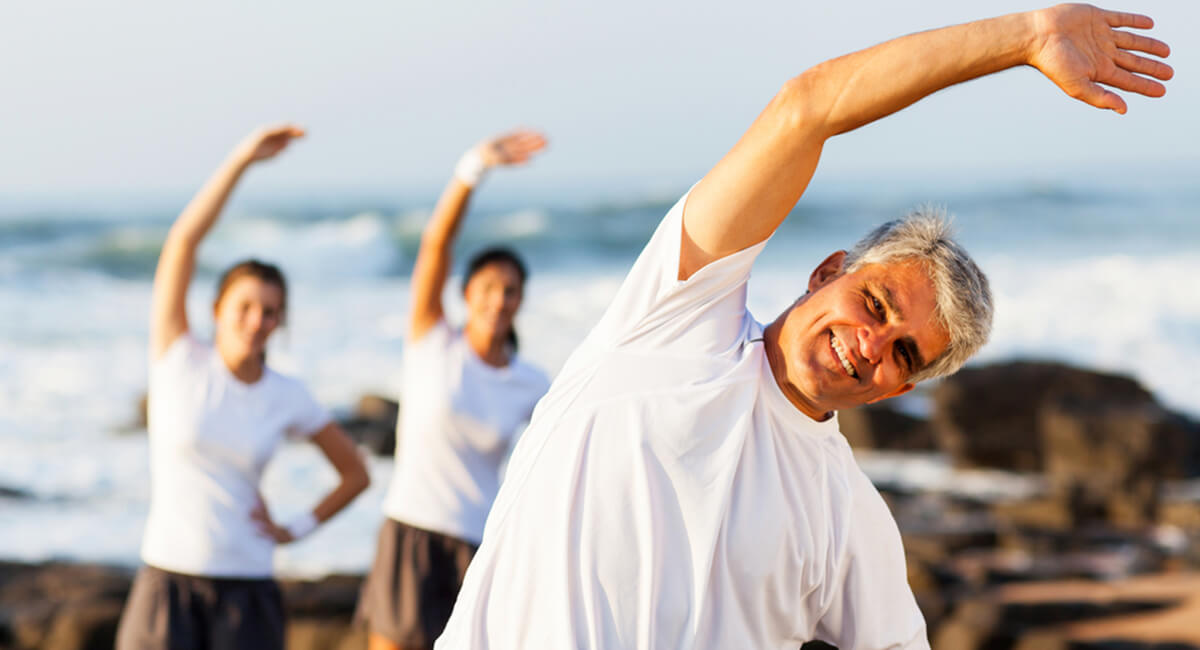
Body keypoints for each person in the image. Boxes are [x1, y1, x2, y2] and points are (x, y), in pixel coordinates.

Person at [435, 5, 1172, 649]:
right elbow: (807, 108)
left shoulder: (845, 514)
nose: (871, 345)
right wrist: (1024, 36)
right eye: (877, 304)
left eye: (903, 353)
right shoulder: (673, 318)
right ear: (827, 273)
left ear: (899, 390)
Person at [116, 125, 371, 650]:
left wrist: (294, 528)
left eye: (270, 312)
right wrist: (241, 161)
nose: (256, 321)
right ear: (217, 311)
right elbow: (183, 241)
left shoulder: (288, 395)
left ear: (281, 321)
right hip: (168, 578)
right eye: (245, 307)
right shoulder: (178, 360)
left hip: (249, 588)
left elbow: (355, 474)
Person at [358, 130, 552, 650]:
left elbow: (558, 459)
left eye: (510, 291)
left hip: (478, 543)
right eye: (488, 288)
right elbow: (436, 244)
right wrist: (473, 169)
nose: (499, 300)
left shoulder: (531, 382)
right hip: (410, 530)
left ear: (520, 301)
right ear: (466, 294)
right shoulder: (431, 343)